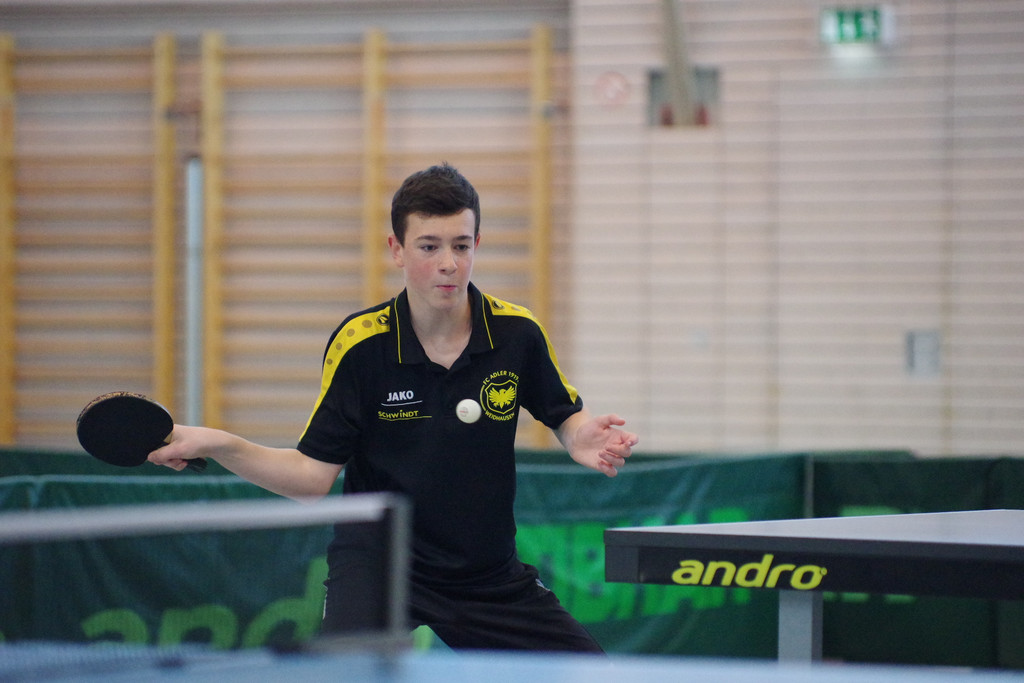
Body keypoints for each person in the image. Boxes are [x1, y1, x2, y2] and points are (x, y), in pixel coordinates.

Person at [148, 163, 639, 653]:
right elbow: (311, 477)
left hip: (484, 573)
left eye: (460, 246)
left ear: (476, 245)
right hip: (377, 567)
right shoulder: (362, 347)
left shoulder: (517, 333)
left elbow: (563, 414)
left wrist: (579, 434)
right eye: (429, 246)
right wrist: (219, 443)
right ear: (397, 249)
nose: (448, 263)